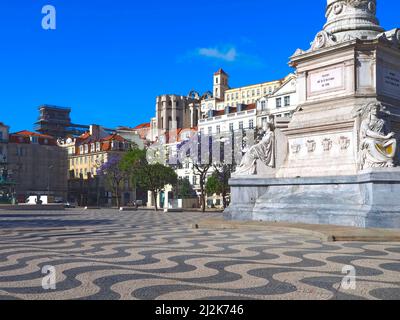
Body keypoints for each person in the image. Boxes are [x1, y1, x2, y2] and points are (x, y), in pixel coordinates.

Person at [359, 102, 397, 170]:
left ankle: (389, 159)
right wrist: (384, 137)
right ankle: (385, 160)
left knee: (393, 141)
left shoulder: (382, 121)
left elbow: (387, 132)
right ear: (370, 111)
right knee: (372, 142)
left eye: (377, 109)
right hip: (370, 139)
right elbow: (368, 133)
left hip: (383, 140)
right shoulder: (365, 122)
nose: (375, 110)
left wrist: (390, 135)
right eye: (373, 109)